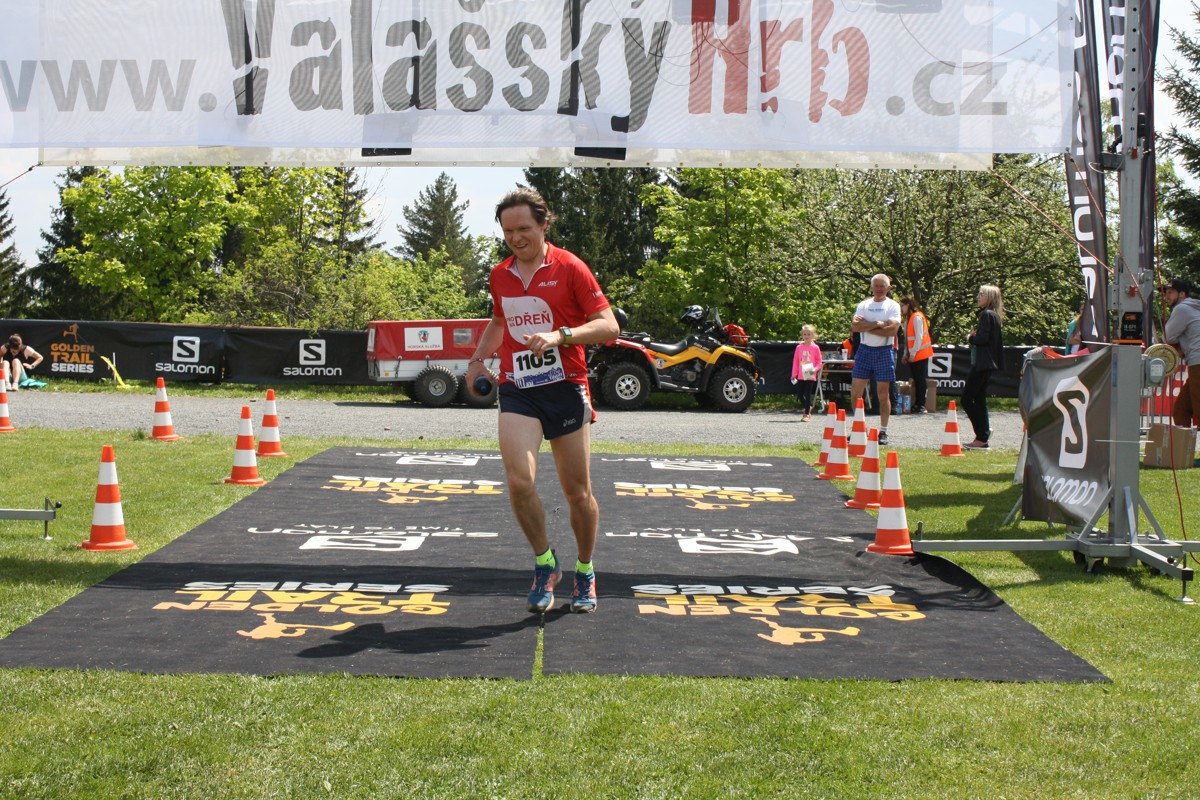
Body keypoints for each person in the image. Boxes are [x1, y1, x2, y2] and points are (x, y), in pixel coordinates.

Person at [465, 188, 619, 615]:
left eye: (524, 229)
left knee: (578, 493)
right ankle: (545, 562)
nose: (516, 238)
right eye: (507, 231)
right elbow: (499, 321)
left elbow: (609, 327)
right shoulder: (500, 274)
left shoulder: (570, 267)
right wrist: (477, 360)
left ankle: (585, 569)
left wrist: (561, 335)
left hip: (565, 386)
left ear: (544, 224)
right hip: (519, 388)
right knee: (520, 482)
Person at [850, 274, 901, 444]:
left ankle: (883, 431)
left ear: (888, 288)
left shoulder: (892, 306)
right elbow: (855, 327)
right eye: (876, 286)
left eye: (882, 286)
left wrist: (867, 326)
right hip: (864, 350)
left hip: (884, 350)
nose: (879, 289)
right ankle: (860, 428)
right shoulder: (864, 305)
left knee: (883, 394)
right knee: (856, 392)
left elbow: (892, 330)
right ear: (872, 287)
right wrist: (878, 324)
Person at [961, 284, 1005, 449]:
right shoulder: (994, 315)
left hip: (982, 363)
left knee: (966, 399)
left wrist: (971, 338)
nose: (978, 297)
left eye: (981, 294)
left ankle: (982, 434)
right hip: (988, 363)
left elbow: (982, 339)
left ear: (990, 298)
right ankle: (983, 434)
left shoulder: (986, 315)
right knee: (979, 399)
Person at [1163, 278, 1200, 428]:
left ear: (1182, 294)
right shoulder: (1195, 308)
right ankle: (1183, 443)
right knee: (1181, 410)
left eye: (1170, 292)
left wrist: (1179, 348)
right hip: (1196, 361)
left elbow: (1167, 336)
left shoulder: (1181, 309)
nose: (1166, 296)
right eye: (1166, 293)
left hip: (1197, 363)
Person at [898, 296, 933, 413]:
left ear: (908, 305)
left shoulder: (917, 317)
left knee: (920, 380)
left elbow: (919, 337)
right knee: (917, 380)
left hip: (920, 354)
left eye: (902, 306)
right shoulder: (909, 319)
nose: (901, 308)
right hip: (914, 354)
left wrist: (912, 353)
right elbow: (908, 339)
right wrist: (905, 354)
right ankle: (917, 404)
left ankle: (921, 405)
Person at [791, 324, 823, 422]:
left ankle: (806, 414)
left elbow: (819, 361)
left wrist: (815, 369)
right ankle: (807, 406)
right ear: (802, 335)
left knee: (807, 394)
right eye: (804, 334)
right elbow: (796, 361)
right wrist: (794, 374)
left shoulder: (815, 347)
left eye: (808, 334)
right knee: (799, 394)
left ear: (813, 335)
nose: (806, 336)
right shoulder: (799, 347)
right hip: (801, 375)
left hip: (810, 375)